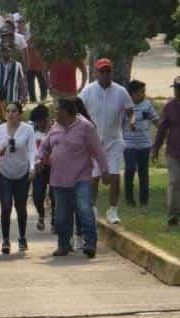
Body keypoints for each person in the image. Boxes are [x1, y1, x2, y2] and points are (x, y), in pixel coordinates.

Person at [37, 98, 110, 258]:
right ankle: (63, 245)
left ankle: (90, 243)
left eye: (58, 109)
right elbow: (44, 146)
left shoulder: (86, 128)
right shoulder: (55, 127)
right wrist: (40, 158)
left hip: (81, 177)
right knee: (62, 216)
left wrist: (105, 171)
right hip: (58, 180)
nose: (55, 112)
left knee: (84, 209)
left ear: (67, 112)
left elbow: (98, 150)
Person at [79, 58, 134, 224]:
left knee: (115, 175)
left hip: (114, 140)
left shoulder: (120, 91)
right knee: (94, 177)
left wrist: (131, 121)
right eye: (101, 71)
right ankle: (93, 208)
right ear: (96, 73)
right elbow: (78, 111)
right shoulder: (88, 91)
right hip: (94, 141)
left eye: (107, 71)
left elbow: (131, 111)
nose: (105, 74)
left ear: (112, 72)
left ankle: (113, 210)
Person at [0, 102, 36, 254]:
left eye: (14, 111)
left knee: (21, 208)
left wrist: (32, 168)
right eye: (8, 111)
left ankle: (22, 237)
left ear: (20, 114)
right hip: (4, 173)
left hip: (22, 173)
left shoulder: (27, 130)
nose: (11, 114)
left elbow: (32, 151)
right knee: (5, 206)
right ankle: (5, 240)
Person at [122, 80, 159, 207]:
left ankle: (144, 201)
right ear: (132, 93)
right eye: (141, 92)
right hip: (129, 145)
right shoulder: (125, 107)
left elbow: (156, 121)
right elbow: (118, 125)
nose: (143, 94)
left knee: (143, 173)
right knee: (130, 169)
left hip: (144, 145)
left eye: (144, 92)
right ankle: (129, 199)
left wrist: (164, 131)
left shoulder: (147, 105)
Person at [152, 76, 180, 226]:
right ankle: (173, 214)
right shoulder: (169, 107)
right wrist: (155, 148)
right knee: (174, 181)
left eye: (179, 89)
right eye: (176, 88)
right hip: (173, 152)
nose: (177, 91)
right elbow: (162, 129)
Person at [30, 104, 55, 232]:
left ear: (46, 119)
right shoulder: (33, 132)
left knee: (54, 194)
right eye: (36, 122)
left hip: (55, 168)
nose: (39, 124)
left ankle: (54, 220)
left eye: (41, 121)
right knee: (37, 195)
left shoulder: (56, 129)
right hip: (39, 168)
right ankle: (41, 214)